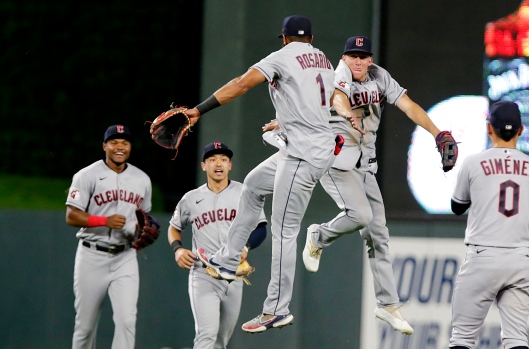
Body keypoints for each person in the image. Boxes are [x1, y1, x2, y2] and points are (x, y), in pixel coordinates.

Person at [184, 15, 345, 333]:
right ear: (310, 39)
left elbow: (242, 84)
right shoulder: (323, 60)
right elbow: (317, 103)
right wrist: (284, 123)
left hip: (302, 155)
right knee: (253, 186)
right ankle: (228, 259)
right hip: (311, 146)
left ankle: (277, 309)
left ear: (284, 38)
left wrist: (198, 110)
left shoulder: (281, 57)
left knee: (285, 230)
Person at [297, 35, 447, 335]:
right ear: (344, 58)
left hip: (364, 164)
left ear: (370, 59)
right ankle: (318, 235)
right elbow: (337, 97)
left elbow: (408, 105)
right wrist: (346, 113)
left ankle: (388, 304)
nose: (358, 61)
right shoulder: (337, 74)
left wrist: (437, 132)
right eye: (352, 55)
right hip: (336, 160)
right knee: (361, 216)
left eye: (363, 56)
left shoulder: (379, 76)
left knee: (378, 233)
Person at [448, 100, 529, 349]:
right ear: (521, 130)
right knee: (516, 339)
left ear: (488, 128)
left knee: (462, 339)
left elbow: (457, 207)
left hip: (483, 255)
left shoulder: (472, 163)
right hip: (520, 258)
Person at [167, 142, 267, 348]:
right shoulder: (191, 198)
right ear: (203, 165)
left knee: (221, 340)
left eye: (223, 159)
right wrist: (178, 249)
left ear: (230, 165)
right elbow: (174, 227)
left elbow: (261, 228)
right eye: (212, 159)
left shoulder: (244, 193)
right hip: (204, 273)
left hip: (234, 274)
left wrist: (246, 247)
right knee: (206, 335)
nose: (218, 163)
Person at [65, 125, 153, 349]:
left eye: (125, 142)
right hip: (91, 255)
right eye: (114, 142)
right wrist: (104, 221)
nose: (120, 147)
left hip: (125, 256)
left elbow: (145, 218)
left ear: (130, 147)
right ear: (104, 146)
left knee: (126, 321)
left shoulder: (142, 179)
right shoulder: (86, 175)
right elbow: (71, 215)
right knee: (85, 327)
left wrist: (143, 231)